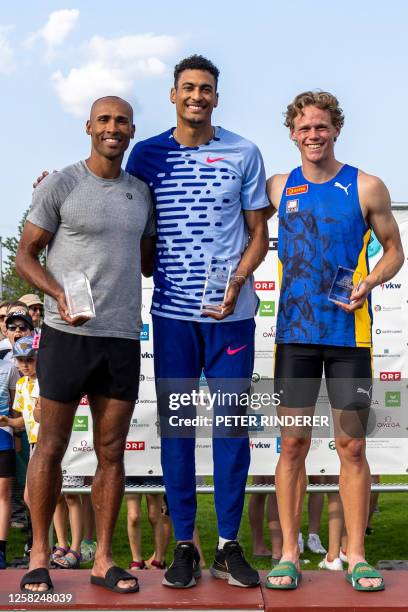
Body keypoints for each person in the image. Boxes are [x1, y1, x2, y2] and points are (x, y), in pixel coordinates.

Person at [126, 55, 269, 589]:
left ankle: (228, 547)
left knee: (231, 428)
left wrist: (236, 284)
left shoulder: (243, 151)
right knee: (179, 430)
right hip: (171, 317)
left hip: (231, 316)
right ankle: (184, 543)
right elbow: (127, 215)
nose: (197, 96)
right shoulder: (147, 155)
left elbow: (258, 233)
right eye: (188, 88)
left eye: (206, 89)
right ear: (173, 95)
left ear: (216, 96)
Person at [15, 96, 155, 594]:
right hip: (67, 335)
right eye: (104, 120)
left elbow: (145, 262)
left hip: (120, 337)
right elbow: (26, 256)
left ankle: (105, 560)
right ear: (88, 127)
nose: (112, 128)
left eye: (121, 121)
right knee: (50, 446)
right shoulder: (62, 183)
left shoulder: (140, 192)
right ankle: (38, 556)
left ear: (132, 129)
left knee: (111, 451)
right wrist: (57, 295)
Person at [265, 91, 404, 591]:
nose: (313, 136)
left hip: (349, 337)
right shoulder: (279, 187)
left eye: (321, 127)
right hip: (294, 338)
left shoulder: (365, 186)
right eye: (304, 128)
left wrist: (370, 282)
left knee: (351, 445)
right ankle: (287, 555)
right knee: (293, 444)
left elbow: (394, 251)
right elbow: (232, 217)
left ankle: (356, 555)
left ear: (336, 129)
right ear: (292, 133)